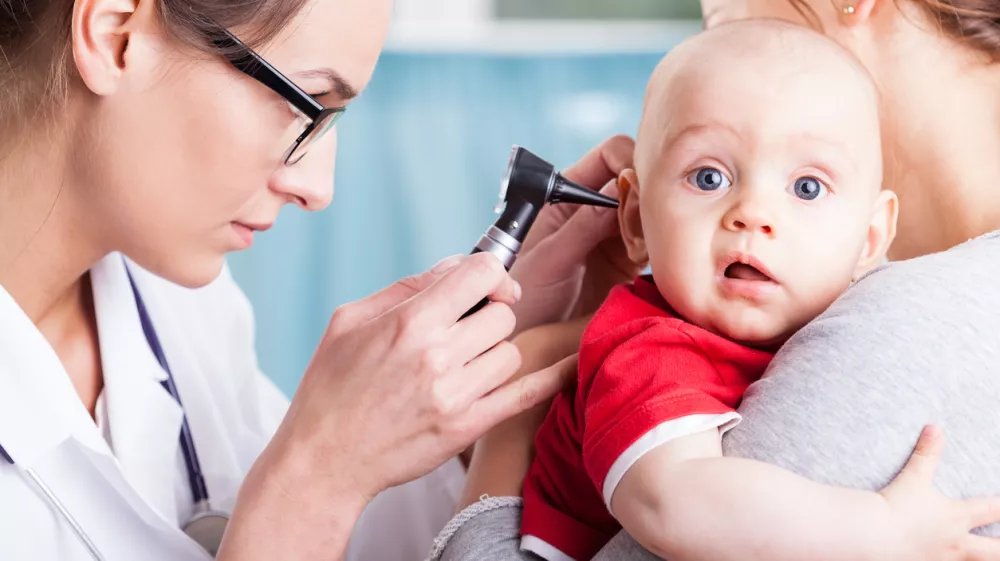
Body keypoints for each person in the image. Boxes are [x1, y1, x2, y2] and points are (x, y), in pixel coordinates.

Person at [0, 0, 640, 559]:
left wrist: (490, 370)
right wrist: (314, 478)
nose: (317, 188)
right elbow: (295, 508)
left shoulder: (183, 308)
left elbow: (342, 540)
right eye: (305, 108)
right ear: (115, 36)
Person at [427, 1, 1000, 559]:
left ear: (870, 239)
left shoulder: (895, 319)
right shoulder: (652, 349)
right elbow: (672, 504)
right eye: (709, 177)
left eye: (806, 188)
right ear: (635, 220)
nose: (752, 213)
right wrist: (879, 528)